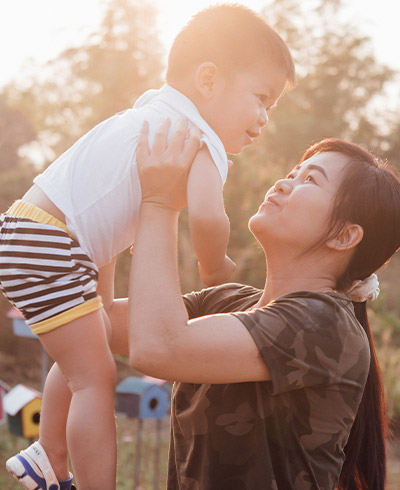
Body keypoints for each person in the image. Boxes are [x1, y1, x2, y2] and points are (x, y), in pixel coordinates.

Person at [0, 4, 295, 490]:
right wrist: (214, 263)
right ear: (208, 79)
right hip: (55, 242)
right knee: (95, 379)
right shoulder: (199, 139)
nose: (264, 119)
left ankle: (47, 455)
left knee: (88, 346)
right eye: (261, 98)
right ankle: (76, 472)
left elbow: (107, 189)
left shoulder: (152, 109)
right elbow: (208, 217)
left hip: (33, 227)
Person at [127, 119, 400, 489]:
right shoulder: (228, 301)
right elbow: (92, 321)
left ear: (344, 235)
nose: (283, 183)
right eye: (292, 172)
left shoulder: (326, 325)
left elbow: (156, 347)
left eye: (310, 180)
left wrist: (160, 204)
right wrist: (109, 222)